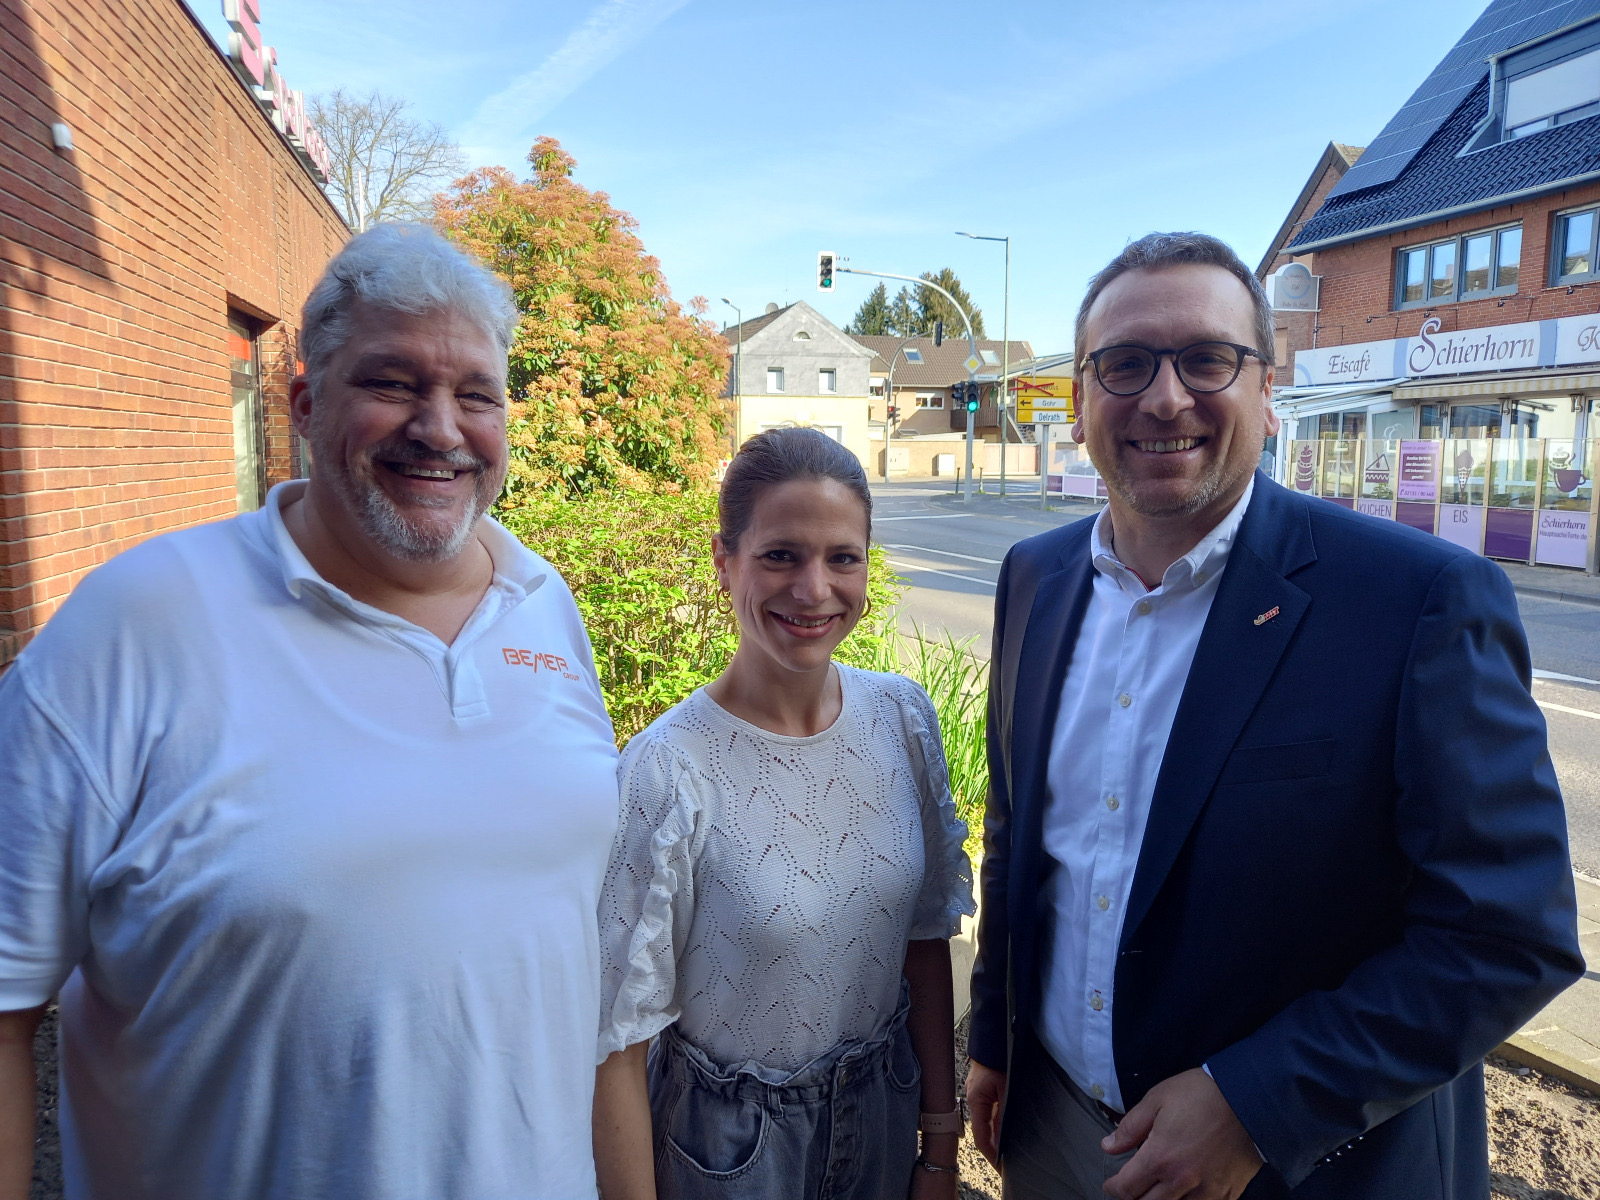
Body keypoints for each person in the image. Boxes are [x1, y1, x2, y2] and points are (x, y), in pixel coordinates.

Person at [0, 223, 623, 1200]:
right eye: (392, 383)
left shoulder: (543, 604)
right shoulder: (136, 625)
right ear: (302, 404)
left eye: (476, 395)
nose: (440, 428)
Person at [965, 232, 1583, 1200]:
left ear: (1265, 389)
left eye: (1206, 359)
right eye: (1124, 364)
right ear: (1080, 398)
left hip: (1293, 1168)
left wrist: (1256, 1104)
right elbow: (1019, 838)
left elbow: (1506, 934)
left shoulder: (1414, 601)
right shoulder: (1033, 577)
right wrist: (996, 1037)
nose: (1164, 397)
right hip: (1052, 1131)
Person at [590, 427, 975, 1199]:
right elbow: (617, 1044)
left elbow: (925, 941)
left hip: (885, 1112)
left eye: (843, 557)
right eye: (780, 555)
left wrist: (939, 1145)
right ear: (724, 560)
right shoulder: (667, 770)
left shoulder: (902, 718)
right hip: (730, 1152)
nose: (813, 589)